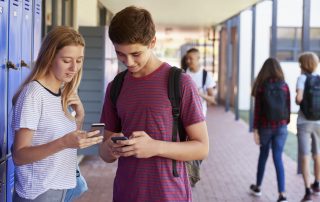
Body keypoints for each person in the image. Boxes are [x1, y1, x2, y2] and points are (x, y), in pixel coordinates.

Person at [99, 6, 209, 202]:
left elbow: (202, 148)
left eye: (136, 54)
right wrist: (111, 148)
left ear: (152, 42)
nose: (129, 62)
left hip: (170, 195)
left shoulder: (180, 83)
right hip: (126, 193)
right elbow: (105, 154)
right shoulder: (115, 87)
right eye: (120, 54)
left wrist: (155, 147)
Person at [11, 26, 103, 202]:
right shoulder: (33, 95)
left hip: (63, 189)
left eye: (79, 60)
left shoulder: (62, 92)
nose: (74, 68)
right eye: (67, 60)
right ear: (50, 57)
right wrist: (63, 142)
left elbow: (67, 142)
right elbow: (19, 155)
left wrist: (79, 116)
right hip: (39, 192)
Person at [250, 58, 290, 202]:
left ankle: (258, 187)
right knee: (278, 158)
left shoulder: (261, 87)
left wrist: (255, 130)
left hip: (265, 127)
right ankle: (282, 194)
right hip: (281, 127)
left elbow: (258, 111)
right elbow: (288, 107)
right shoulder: (284, 86)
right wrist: (285, 124)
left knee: (263, 155)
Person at [295, 52, 320, 202]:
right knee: (318, 154)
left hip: (304, 122)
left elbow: (299, 98)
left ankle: (307, 190)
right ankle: (317, 183)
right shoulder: (319, 79)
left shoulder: (302, 78)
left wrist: (298, 100)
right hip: (319, 122)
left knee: (304, 155)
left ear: (303, 65)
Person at [185, 48, 216, 117]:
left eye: (191, 58)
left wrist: (199, 94)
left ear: (198, 58)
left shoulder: (206, 76)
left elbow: (212, 100)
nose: (188, 61)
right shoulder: (183, 74)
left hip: (199, 115)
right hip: (184, 114)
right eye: (187, 58)